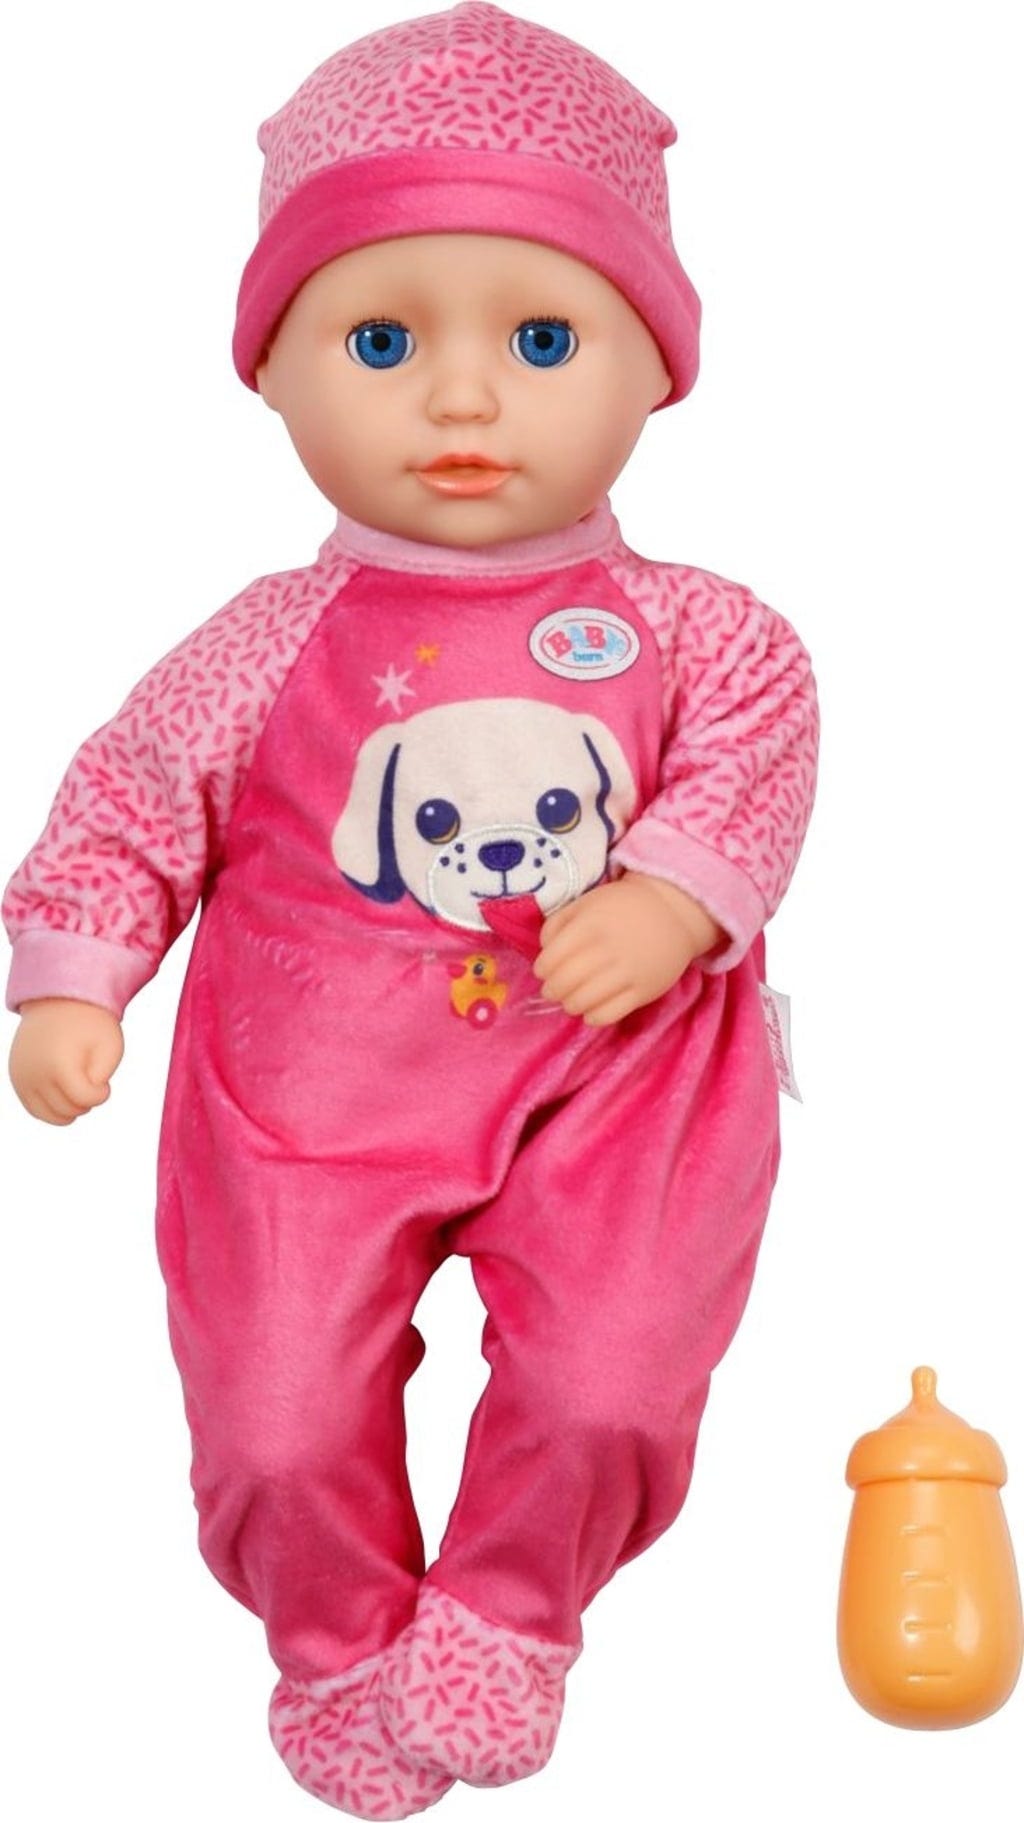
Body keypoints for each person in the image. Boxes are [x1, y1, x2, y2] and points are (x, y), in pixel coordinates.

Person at [3, 5, 818, 1818]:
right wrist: (73, 980)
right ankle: (341, 1641)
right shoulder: (265, 644)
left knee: (610, 1380)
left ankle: (510, 1614)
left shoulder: (703, 632)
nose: (462, 402)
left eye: (541, 339)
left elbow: (759, 741)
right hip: (308, 1103)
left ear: (657, 367)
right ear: (272, 374)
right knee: (275, 1414)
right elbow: (133, 795)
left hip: (616, 1092)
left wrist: (673, 898)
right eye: (381, 341)